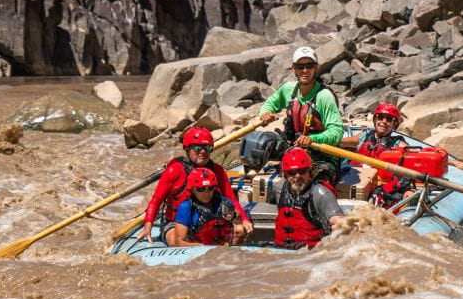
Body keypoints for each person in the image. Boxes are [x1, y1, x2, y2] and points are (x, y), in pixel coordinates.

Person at [139, 126, 253, 243]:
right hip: (176, 223)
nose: (203, 152)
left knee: (240, 230)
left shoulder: (217, 171)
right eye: (197, 148)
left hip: (208, 220)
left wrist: (244, 219)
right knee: (175, 240)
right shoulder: (174, 170)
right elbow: (156, 200)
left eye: (207, 148)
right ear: (187, 149)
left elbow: (231, 199)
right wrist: (148, 227)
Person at [258, 46, 344, 192]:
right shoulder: (288, 90)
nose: (305, 70)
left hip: (322, 156)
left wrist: (312, 139)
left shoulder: (324, 97)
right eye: (300, 66)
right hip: (295, 151)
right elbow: (270, 103)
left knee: (318, 189)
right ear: (294, 68)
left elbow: (337, 132)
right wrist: (266, 113)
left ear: (316, 67)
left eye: (309, 65)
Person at [272, 147, 344, 249]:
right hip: (281, 249)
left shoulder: (320, 193)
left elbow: (341, 224)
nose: (297, 176)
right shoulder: (280, 188)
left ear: (308, 171)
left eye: (302, 171)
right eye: (292, 172)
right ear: (285, 174)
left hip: (310, 254)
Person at [169, 168, 239, 247]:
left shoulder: (225, 203)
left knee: (240, 229)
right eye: (200, 189)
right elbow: (179, 242)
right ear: (193, 190)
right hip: (197, 247)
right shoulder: (185, 207)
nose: (206, 193)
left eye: (210, 188)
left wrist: (235, 220)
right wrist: (202, 247)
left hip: (222, 245)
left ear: (214, 188)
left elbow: (237, 226)